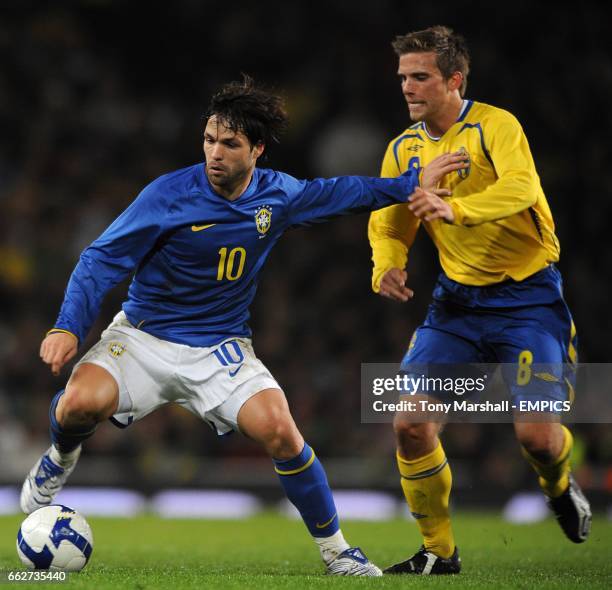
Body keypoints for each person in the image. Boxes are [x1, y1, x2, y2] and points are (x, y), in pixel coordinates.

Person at [20, 76, 464, 576]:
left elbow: (345, 192)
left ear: (257, 150)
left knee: (281, 431)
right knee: (79, 404)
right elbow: (99, 259)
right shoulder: (167, 195)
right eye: (209, 140)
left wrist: (410, 186)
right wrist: (68, 326)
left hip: (220, 347)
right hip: (143, 338)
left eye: (229, 144)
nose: (215, 153)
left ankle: (338, 552)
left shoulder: (279, 196)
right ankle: (60, 456)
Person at [368, 26, 592, 575]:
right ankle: (438, 554)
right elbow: (389, 222)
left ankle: (559, 485)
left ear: (454, 80)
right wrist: (387, 263)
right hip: (456, 306)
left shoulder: (495, 125)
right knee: (410, 423)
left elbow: (522, 187)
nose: (408, 88)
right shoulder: (404, 149)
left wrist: (458, 210)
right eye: (403, 78)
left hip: (528, 299)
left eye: (420, 77)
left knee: (537, 437)